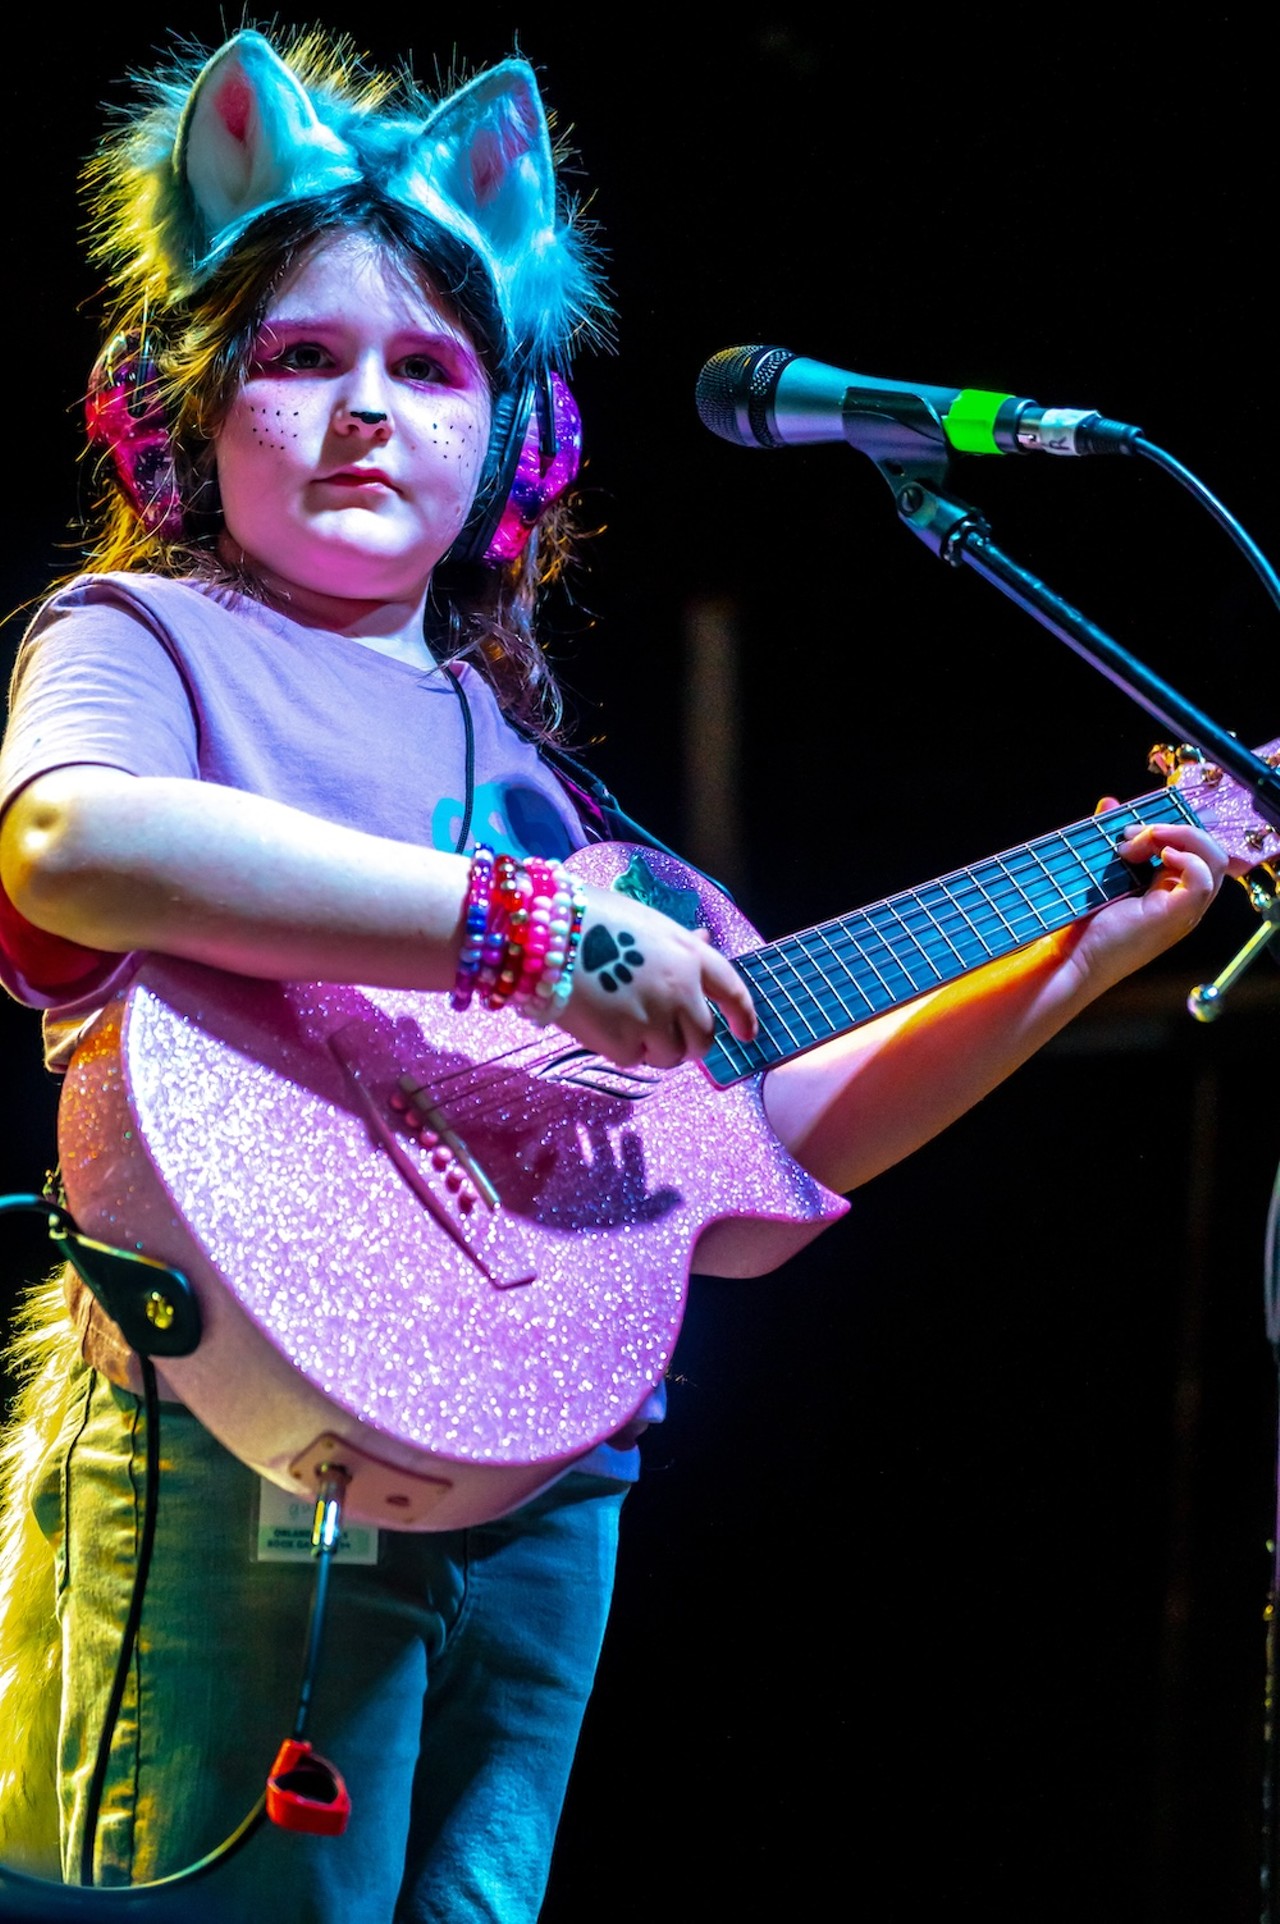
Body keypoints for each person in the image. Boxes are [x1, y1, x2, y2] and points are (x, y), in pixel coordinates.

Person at [0, 26, 1230, 1924]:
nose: (365, 412)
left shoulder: (535, 772)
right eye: (302, 357)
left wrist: (1084, 953)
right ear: (187, 406)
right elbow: (74, 844)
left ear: (509, 436)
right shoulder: (149, 639)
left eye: (430, 368)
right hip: (237, 1453)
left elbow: (754, 1170)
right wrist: (526, 935)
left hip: (550, 1494)